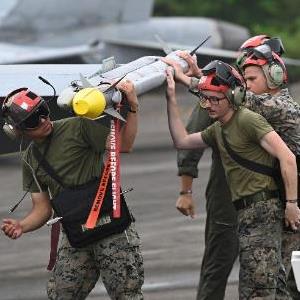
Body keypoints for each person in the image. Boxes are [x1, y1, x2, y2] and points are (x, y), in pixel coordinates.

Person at [162, 35, 290, 300]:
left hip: (274, 194)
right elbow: (191, 139)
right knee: (220, 261)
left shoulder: (269, 101)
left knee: (278, 270)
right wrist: (185, 190)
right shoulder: (222, 97)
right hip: (229, 188)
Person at [1, 80, 144, 300]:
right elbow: (42, 209)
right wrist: (22, 225)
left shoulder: (78, 126)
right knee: (62, 294)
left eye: (43, 112)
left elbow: (123, 145)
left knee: (126, 294)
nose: (43, 120)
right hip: (77, 233)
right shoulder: (30, 159)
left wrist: (132, 107)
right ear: (18, 131)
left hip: (110, 227)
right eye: (33, 120)